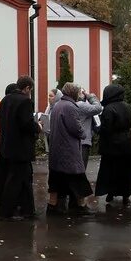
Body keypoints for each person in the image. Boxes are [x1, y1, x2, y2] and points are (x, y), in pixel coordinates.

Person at [0, 77, 41, 220]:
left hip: (6, 146)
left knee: (24, 179)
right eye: (30, 90)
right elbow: (26, 123)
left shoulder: (6, 99)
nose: (30, 93)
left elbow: (0, 117)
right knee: (15, 180)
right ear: (27, 88)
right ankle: (6, 212)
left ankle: (28, 209)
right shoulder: (25, 101)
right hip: (20, 148)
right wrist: (38, 126)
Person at [46, 83, 94, 216]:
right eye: (78, 92)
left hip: (57, 148)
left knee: (56, 179)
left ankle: (52, 206)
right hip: (68, 149)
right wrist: (83, 134)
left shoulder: (58, 105)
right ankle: (80, 206)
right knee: (78, 178)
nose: (79, 95)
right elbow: (76, 128)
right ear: (73, 93)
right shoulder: (70, 106)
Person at [94, 84, 131, 206]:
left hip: (111, 146)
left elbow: (106, 128)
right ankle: (125, 195)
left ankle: (110, 192)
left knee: (111, 171)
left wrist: (97, 129)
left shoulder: (108, 108)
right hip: (127, 144)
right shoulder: (126, 106)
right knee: (126, 171)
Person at [75, 88, 102, 169]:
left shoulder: (73, 104)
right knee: (81, 169)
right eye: (82, 92)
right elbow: (98, 108)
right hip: (83, 141)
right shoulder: (81, 105)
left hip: (77, 140)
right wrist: (90, 97)